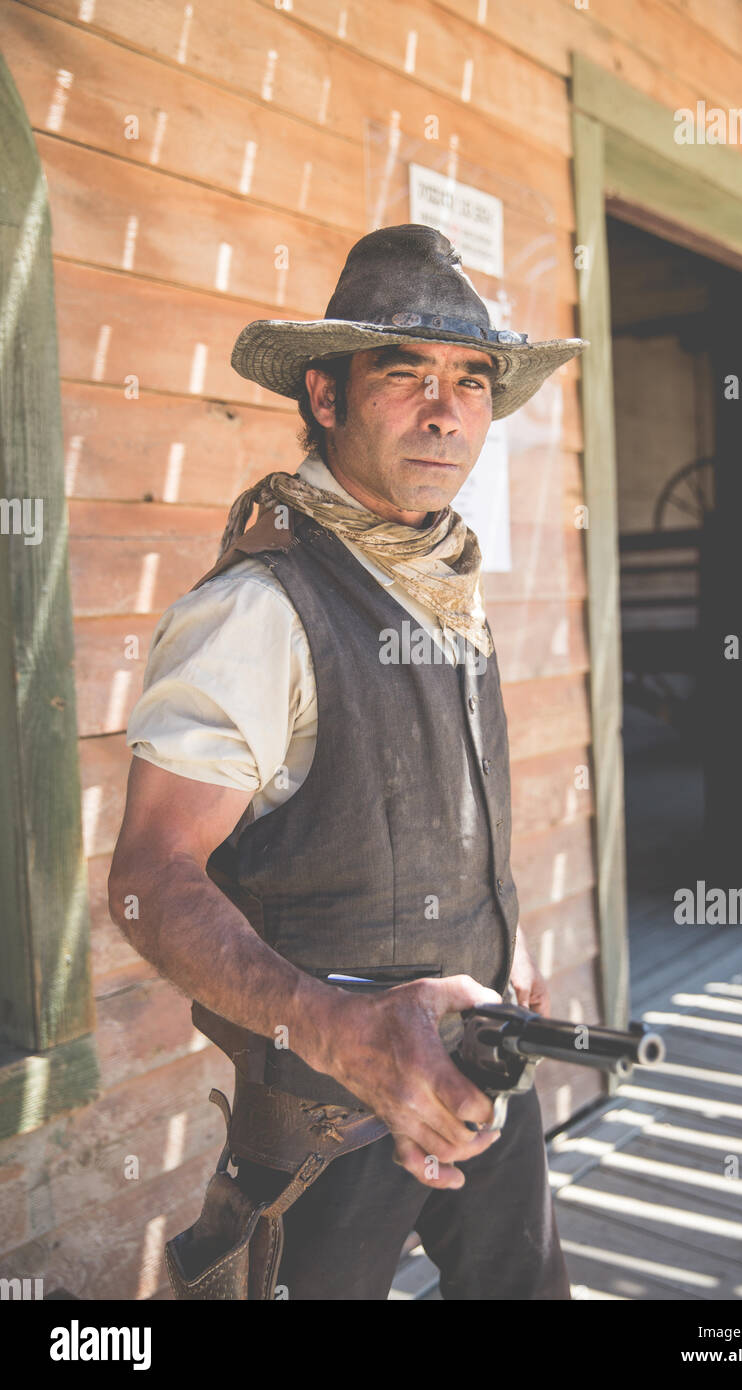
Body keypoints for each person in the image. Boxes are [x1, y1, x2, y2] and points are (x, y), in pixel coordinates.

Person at [108, 223, 587, 1300]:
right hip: (326, 1129)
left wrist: (494, 944)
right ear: (324, 396)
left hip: (478, 1064)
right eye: (405, 372)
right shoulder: (256, 611)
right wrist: (342, 1032)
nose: (445, 408)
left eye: (471, 380)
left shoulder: (441, 577)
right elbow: (146, 881)